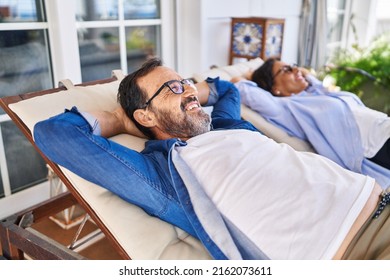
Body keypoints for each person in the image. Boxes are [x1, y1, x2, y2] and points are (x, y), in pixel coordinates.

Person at [34, 57, 390, 260]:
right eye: (172, 88)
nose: (189, 89)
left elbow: (226, 88)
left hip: (379, 198)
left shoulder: (227, 124)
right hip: (353, 252)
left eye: (186, 82)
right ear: (145, 116)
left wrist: (187, 94)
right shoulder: (164, 173)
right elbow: (54, 134)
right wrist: (119, 119)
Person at [233, 58, 390, 188]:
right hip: (375, 146)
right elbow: (238, 84)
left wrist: (297, 72)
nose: (297, 70)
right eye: (286, 70)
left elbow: (308, 76)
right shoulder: (284, 108)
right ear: (275, 88)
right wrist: (251, 74)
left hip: (383, 128)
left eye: (294, 66)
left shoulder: (316, 93)